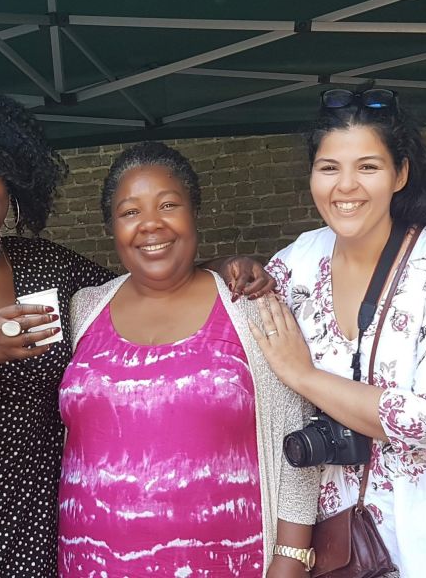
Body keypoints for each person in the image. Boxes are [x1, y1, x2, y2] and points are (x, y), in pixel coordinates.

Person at [0, 87, 272, 577]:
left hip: (29, 541)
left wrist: (224, 265)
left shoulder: (47, 265)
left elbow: (144, 281)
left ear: (11, 177)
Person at [251, 88, 426, 577]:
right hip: (344, 534)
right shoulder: (295, 262)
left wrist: (305, 376)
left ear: (400, 174)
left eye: (368, 167)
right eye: (329, 167)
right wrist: (228, 269)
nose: (346, 185)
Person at [60, 141, 319, 578]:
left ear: (194, 211)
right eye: (130, 212)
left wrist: (291, 559)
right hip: (87, 563)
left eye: (168, 205)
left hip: (229, 564)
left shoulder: (249, 307)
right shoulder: (83, 309)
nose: (150, 224)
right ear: (111, 227)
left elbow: (297, 435)